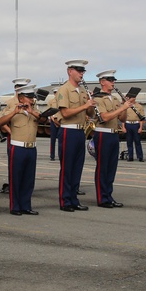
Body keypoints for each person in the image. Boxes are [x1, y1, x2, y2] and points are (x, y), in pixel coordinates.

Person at [54, 60, 96, 211]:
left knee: (77, 167)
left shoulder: (83, 91)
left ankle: (73, 199)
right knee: (67, 167)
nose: (81, 74)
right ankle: (65, 201)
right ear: (70, 71)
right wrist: (85, 105)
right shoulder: (64, 90)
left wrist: (91, 104)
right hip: (68, 130)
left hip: (80, 131)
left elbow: (89, 114)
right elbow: (65, 113)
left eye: (83, 71)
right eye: (78, 71)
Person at [92, 70, 137, 208]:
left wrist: (125, 106)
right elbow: (104, 117)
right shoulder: (98, 98)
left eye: (113, 80)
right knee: (103, 167)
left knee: (112, 167)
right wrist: (122, 107)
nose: (113, 82)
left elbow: (122, 118)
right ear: (102, 82)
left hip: (113, 134)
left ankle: (108, 196)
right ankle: (102, 198)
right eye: (110, 80)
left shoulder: (115, 99)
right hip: (102, 133)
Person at [0, 83, 41, 215]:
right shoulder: (12, 106)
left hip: (31, 147)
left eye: (32, 97)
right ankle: (15, 206)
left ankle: (26, 205)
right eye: (29, 97)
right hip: (18, 147)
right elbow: (0, 122)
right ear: (21, 98)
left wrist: (31, 111)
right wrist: (14, 113)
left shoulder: (35, 108)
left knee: (29, 179)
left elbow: (43, 118)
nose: (32, 100)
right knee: (16, 178)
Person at [123, 98, 146, 162]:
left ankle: (140, 157)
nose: (129, 99)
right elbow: (123, 117)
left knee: (137, 141)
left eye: (131, 97)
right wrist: (123, 127)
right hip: (128, 124)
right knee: (129, 141)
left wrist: (141, 127)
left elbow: (141, 118)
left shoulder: (139, 106)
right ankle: (130, 157)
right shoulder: (126, 105)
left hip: (136, 124)